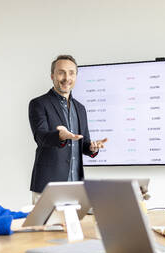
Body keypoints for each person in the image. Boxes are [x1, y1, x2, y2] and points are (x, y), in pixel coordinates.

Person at [28, 55, 107, 203]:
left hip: (76, 186)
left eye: (71, 73)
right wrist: (60, 136)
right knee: (45, 227)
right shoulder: (38, 104)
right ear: (52, 76)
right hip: (48, 187)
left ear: (76, 76)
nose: (66, 77)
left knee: (76, 226)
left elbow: (84, 144)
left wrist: (93, 147)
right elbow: (40, 137)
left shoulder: (81, 109)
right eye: (61, 72)